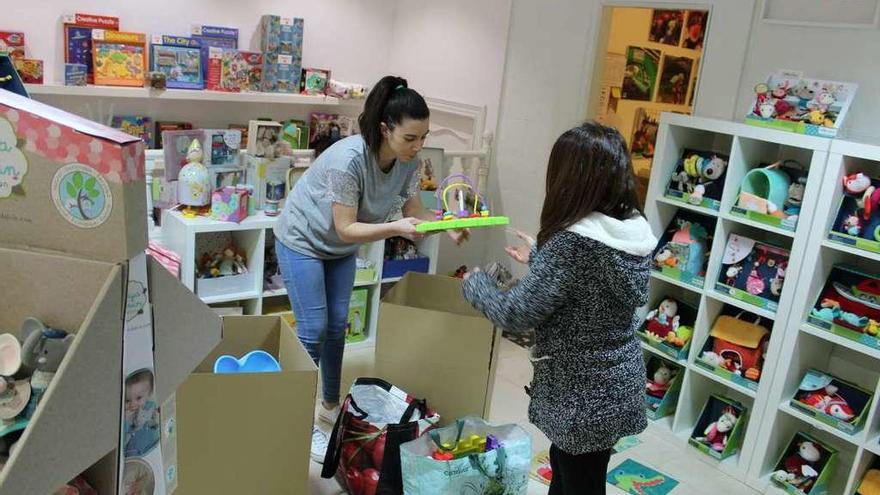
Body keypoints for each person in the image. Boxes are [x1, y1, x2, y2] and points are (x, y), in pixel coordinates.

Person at [274, 75, 467, 462]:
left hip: (339, 248)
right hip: (302, 241)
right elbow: (347, 226)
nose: (418, 146)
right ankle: (294, 419)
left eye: (424, 137)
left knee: (337, 326)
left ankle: (330, 404)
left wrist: (446, 226)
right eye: (410, 138)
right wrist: (397, 227)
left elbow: (415, 212)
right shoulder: (349, 159)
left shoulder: (407, 163)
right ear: (385, 128)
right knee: (312, 331)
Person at [462, 122, 657, 495]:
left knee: (579, 478)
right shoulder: (630, 230)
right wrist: (541, 259)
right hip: (613, 385)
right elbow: (592, 289)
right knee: (570, 469)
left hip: (580, 396)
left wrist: (476, 284)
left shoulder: (572, 244)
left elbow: (516, 313)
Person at [123, 369, 160, 457]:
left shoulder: (150, 405)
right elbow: (121, 438)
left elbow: (155, 421)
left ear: (149, 393)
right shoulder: (126, 415)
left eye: (138, 398)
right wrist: (126, 421)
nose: (133, 404)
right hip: (134, 452)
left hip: (152, 445)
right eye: (127, 400)